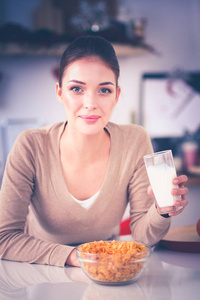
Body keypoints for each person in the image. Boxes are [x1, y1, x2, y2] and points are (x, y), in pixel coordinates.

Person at [0, 36, 188, 267]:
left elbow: (142, 236)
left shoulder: (135, 140)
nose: (90, 103)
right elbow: (4, 238)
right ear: (60, 92)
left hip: (108, 273)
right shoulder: (30, 145)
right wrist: (81, 258)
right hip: (40, 270)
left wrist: (161, 211)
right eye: (76, 88)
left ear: (117, 95)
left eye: (104, 90)